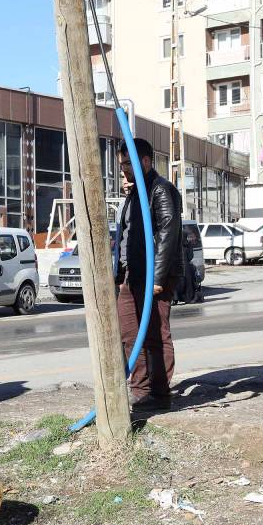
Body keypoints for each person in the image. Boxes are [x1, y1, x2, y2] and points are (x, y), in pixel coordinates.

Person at [114, 138, 182, 412]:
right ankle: (139, 389)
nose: (124, 171)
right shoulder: (134, 192)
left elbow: (167, 234)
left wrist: (157, 278)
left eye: (128, 164)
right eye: (121, 166)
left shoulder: (161, 190)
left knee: (154, 333)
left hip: (153, 275)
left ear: (145, 161)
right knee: (129, 332)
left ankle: (159, 393)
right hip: (132, 274)